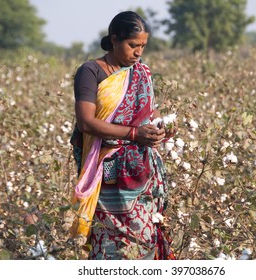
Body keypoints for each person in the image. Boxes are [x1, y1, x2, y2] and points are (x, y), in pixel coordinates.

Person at [69, 11, 176, 260]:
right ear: (115, 39)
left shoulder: (140, 72)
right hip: (108, 171)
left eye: (143, 46)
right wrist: (134, 134)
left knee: (145, 240)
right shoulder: (90, 71)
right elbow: (86, 122)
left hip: (142, 172)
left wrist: (163, 127)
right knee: (110, 241)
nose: (138, 52)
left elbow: (150, 112)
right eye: (132, 45)